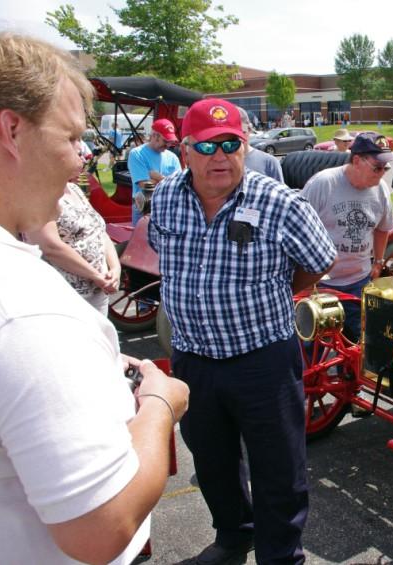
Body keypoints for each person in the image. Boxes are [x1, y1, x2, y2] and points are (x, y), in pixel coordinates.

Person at [0, 32, 189, 565]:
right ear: (11, 129)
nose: (81, 160)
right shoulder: (23, 309)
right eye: (72, 137)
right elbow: (100, 528)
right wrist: (161, 403)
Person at [149, 97, 336, 565]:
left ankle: (280, 556)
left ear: (245, 146)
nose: (221, 156)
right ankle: (234, 536)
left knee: (278, 470)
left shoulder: (279, 202)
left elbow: (317, 263)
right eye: (208, 146)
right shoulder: (168, 197)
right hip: (192, 358)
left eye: (231, 144)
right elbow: (160, 254)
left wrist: (270, 294)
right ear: (186, 150)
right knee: (211, 462)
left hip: (263, 361)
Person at [301, 132, 393, 342]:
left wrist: (379, 262)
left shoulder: (380, 190)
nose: (382, 173)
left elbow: (382, 228)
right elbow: (297, 229)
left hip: (358, 281)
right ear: (356, 160)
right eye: (377, 167)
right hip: (320, 285)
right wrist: (304, 279)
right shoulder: (323, 184)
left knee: (358, 346)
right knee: (313, 348)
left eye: (385, 168)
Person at [24, 180, 121, 315]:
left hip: (97, 290)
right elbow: (50, 246)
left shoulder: (74, 189)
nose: (82, 160)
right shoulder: (37, 194)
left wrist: (115, 268)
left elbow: (98, 230)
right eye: (77, 156)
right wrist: (95, 275)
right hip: (64, 296)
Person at [127, 118, 181, 224]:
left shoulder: (173, 157)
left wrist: (158, 177)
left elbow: (178, 186)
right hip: (144, 207)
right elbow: (145, 186)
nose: (168, 145)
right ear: (155, 136)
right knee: (141, 240)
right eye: (165, 141)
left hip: (167, 208)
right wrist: (168, 181)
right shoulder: (137, 154)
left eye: (170, 142)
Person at [236, 105, 284, 183]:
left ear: (249, 129)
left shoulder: (269, 163)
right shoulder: (220, 164)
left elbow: (280, 193)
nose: (238, 138)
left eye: (242, 132)